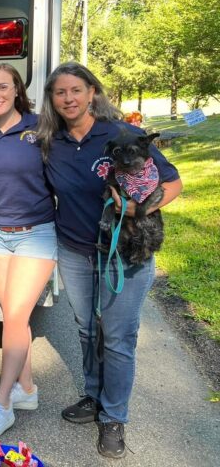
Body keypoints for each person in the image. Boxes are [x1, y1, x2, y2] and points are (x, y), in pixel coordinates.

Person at [37, 61, 182, 459]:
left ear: (92, 93)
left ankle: (114, 416)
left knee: (117, 337)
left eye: (75, 91)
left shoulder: (124, 135)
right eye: (59, 92)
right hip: (75, 249)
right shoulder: (52, 141)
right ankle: (94, 395)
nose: (68, 99)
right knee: (87, 329)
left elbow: (173, 183)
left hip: (125, 253)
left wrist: (137, 211)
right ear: (52, 99)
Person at [0, 64, 56, 441]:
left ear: (17, 89)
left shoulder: (41, 127)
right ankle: (27, 390)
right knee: (11, 316)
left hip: (36, 234)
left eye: (4, 87)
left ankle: (2, 405)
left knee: (15, 315)